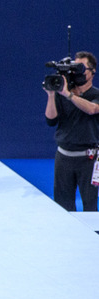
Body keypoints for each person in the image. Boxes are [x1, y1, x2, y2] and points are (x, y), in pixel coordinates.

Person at [45, 51, 99, 211]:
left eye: (80, 68)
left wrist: (68, 95)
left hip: (89, 159)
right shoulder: (63, 94)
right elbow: (51, 120)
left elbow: (92, 109)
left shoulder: (96, 94)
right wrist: (51, 95)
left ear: (92, 72)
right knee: (63, 205)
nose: (76, 72)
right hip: (64, 158)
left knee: (90, 205)